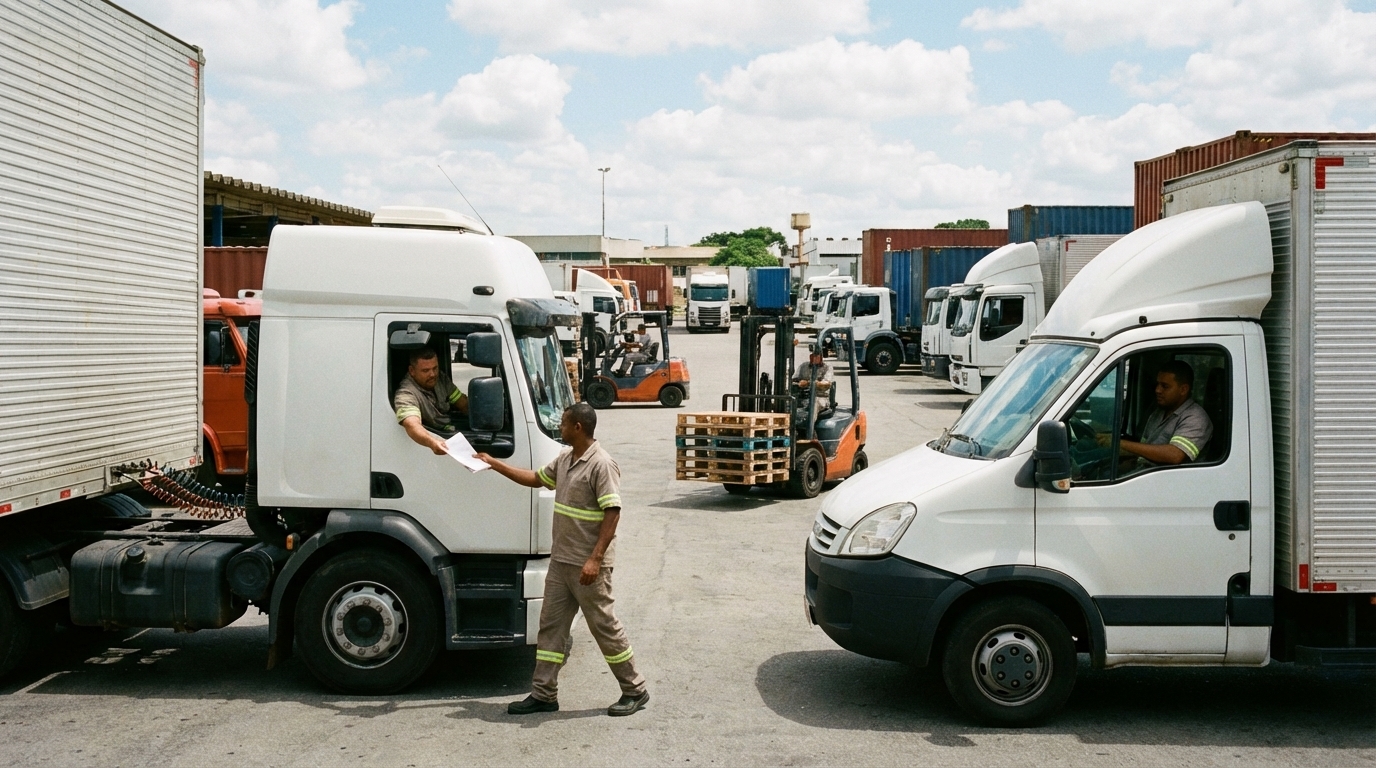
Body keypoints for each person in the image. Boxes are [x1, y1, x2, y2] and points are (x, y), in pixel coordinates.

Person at [475, 403, 649, 717]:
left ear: (578, 428)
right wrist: (493, 464)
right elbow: (534, 478)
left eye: (564, 423)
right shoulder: (566, 459)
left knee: (604, 627)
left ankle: (635, 690)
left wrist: (595, 559)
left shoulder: (601, 464)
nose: (560, 427)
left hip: (588, 567)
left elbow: (613, 513)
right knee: (551, 628)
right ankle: (544, 694)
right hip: (561, 563)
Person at [1116, 360, 1213, 466]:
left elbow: (1175, 455)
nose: (1157, 390)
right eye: (1157, 384)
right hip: (1145, 472)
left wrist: (1119, 443)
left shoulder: (1196, 418)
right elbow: (1146, 447)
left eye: (1165, 386)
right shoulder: (1159, 411)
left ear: (1183, 389)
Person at [394, 347, 467, 455]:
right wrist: (433, 443)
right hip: (436, 442)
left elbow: (464, 405)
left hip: (452, 432)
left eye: (435, 368)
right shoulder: (406, 394)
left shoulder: (440, 379)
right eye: (425, 370)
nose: (432, 374)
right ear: (412, 371)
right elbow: (412, 425)